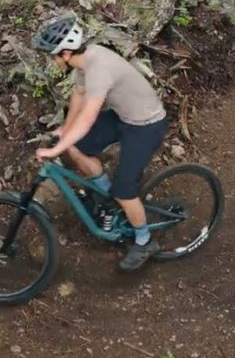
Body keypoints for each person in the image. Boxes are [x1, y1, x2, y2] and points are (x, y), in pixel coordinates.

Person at [32, 15, 170, 271]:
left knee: (124, 191)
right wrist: (65, 130)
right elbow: (78, 96)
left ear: (64, 53)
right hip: (123, 116)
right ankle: (106, 197)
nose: (52, 61)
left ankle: (144, 240)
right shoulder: (85, 61)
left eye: (52, 55)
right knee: (76, 145)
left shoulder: (99, 69)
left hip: (146, 126)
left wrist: (55, 149)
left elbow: (87, 118)